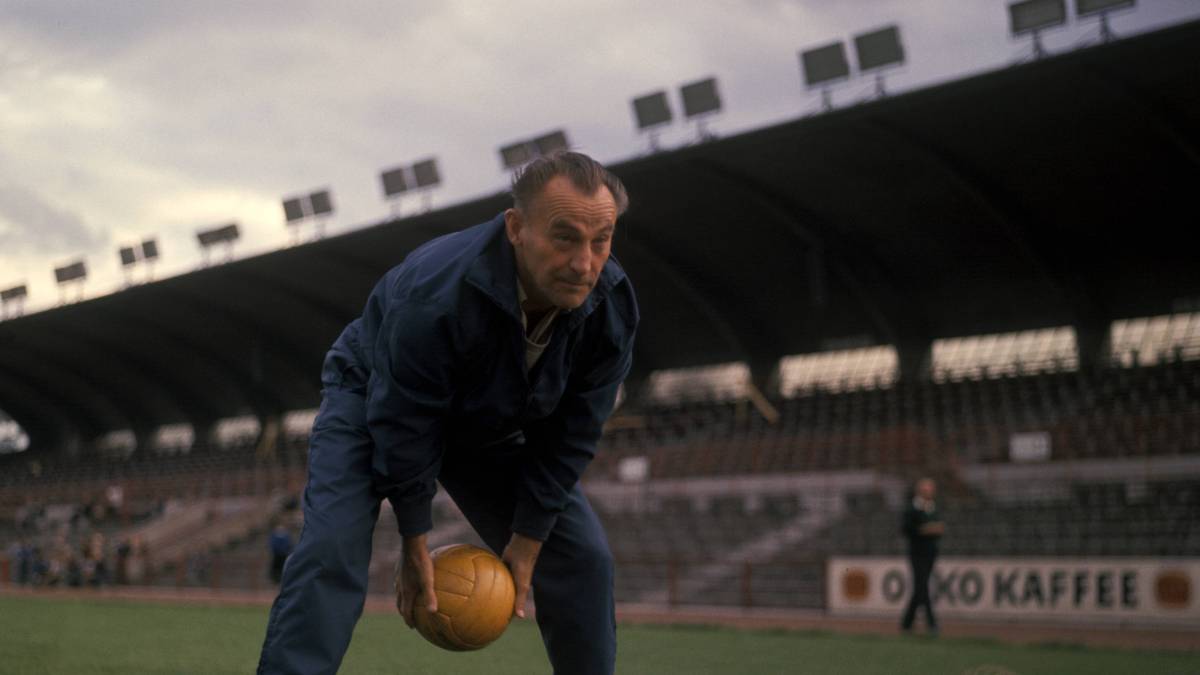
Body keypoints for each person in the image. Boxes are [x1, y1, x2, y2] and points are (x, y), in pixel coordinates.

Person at [257, 151, 637, 675]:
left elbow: (572, 435)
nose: (585, 263)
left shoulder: (610, 307)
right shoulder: (437, 292)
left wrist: (527, 541)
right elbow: (402, 417)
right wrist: (416, 541)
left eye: (602, 240)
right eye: (565, 236)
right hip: (372, 396)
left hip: (489, 423)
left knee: (582, 558)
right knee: (331, 548)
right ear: (516, 228)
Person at [901, 477, 944, 635]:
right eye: (926, 489)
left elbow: (939, 528)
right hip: (917, 552)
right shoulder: (912, 508)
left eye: (931, 489)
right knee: (923, 586)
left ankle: (906, 622)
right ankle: (932, 622)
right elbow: (906, 529)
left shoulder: (933, 508)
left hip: (930, 552)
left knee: (921, 587)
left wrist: (934, 529)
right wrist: (925, 529)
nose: (929, 492)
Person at [267, 520, 293, 585]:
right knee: (275, 567)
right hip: (276, 554)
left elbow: (289, 543)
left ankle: (283, 579)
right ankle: (275, 579)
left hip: (284, 554)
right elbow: (272, 543)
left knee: (283, 567)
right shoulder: (274, 534)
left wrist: (286, 550)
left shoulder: (286, 534)